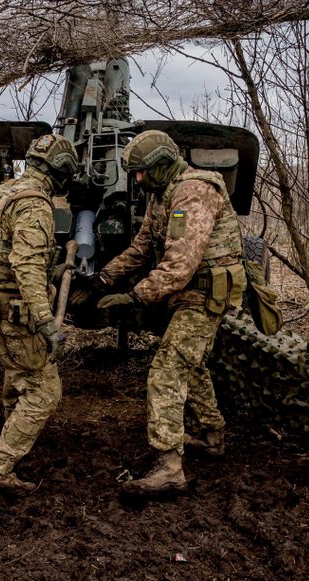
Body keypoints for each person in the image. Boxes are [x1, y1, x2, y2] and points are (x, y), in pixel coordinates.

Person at [77, 130, 244, 495]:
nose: (136, 179)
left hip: (203, 294)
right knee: (191, 363)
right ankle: (213, 435)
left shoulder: (194, 192)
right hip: (186, 293)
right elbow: (142, 246)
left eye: (140, 172)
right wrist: (102, 281)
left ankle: (169, 467)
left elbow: (180, 265)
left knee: (166, 370)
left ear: (162, 166)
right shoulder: (163, 193)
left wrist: (134, 298)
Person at [0, 133, 79, 494]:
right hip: (14, 309)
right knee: (45, 389)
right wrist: (46, 321)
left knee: (17, 375)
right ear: (61, 170)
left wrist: (53, 271)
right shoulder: (35, 203)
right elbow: (26, 266)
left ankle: (14, 434)